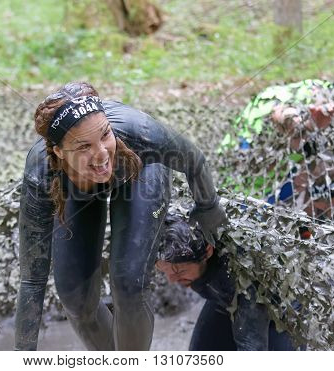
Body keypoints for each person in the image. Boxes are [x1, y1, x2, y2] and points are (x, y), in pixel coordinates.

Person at [14, 81, 227, 351]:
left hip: (140, 170)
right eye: (83, 147)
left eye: (105, 135)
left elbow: (193, 159)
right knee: (74, 298)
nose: (101, 153)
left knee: (128, 284)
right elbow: (32, 280)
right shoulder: (41, 175)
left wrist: (208, 207)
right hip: (76, 191)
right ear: (59, 152)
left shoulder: (140, 132)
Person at [156, 214, 302, 351]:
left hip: (278, 311)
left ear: (208, 251)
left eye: (179, 272)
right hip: (227, 299)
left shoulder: (243, 284)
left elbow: (252, 347)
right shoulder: (184, 234)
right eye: (164, 271)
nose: (171, 280)